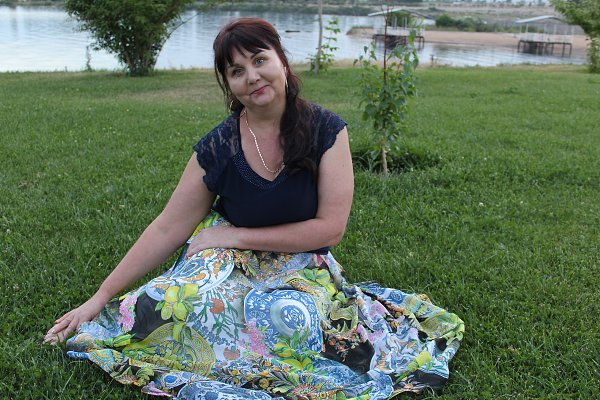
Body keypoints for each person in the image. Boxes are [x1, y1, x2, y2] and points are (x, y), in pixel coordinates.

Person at [44, 18, 464, 399]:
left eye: (260, 60)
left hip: (301, 263)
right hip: (227, 262)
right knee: (160, 303)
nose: (252, 76)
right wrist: (99, 298)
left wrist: (236, 235)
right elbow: (167, 228)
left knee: (289, 319)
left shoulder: (327, 131)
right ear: (229, 85)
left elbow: (330, 229)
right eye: (236, 71)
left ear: (282, 60)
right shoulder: (219, 146)